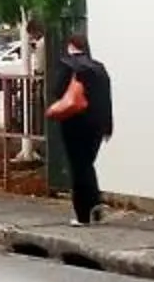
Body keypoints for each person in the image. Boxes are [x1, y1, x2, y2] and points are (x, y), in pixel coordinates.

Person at [45, 34, 114, 226]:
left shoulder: (68, 65)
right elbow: (107, 98)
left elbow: (58, 91)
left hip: (74, 123)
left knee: (78, 167)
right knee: (86, 165)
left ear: (70, 45)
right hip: (97, 125)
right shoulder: (99, 68)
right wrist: (108, 125)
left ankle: (83, 214)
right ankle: (95, 204)